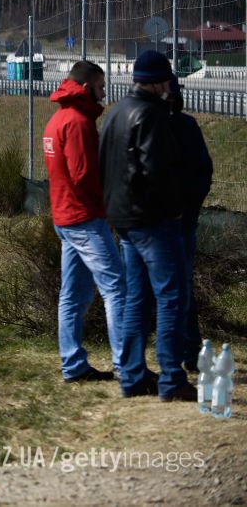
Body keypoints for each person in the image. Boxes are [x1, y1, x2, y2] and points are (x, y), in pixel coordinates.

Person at [99, 50, 195, 402]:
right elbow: (158, 171)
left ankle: (132, 376)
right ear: (158, 82)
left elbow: (104, 167)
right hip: (153, 221)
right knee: (172, 296)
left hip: (122, 219)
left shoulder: (116, 112)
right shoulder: (152, 114)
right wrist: (173, 211)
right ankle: (172, 379)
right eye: (167, 80)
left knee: (136, 300)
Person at [43, 61, 124, 384]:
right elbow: (84, 175)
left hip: (65, 217)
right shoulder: (77, 123)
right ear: (88, 87)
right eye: (102, 86)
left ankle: (73, 364)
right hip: (84, 219)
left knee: (73, 295)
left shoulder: (57, 120)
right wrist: (107, 204)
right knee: (117, 287)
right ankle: (126, 363)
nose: (104, 93)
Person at [167, 78, 213, 372]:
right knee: (173, 287)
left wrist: (188, 206)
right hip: (159, 221)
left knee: (181, 286)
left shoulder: (186, 126)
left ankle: (190, 349)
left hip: (181, 221)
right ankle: (179, 349)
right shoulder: (153, 124)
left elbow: (203, 171)